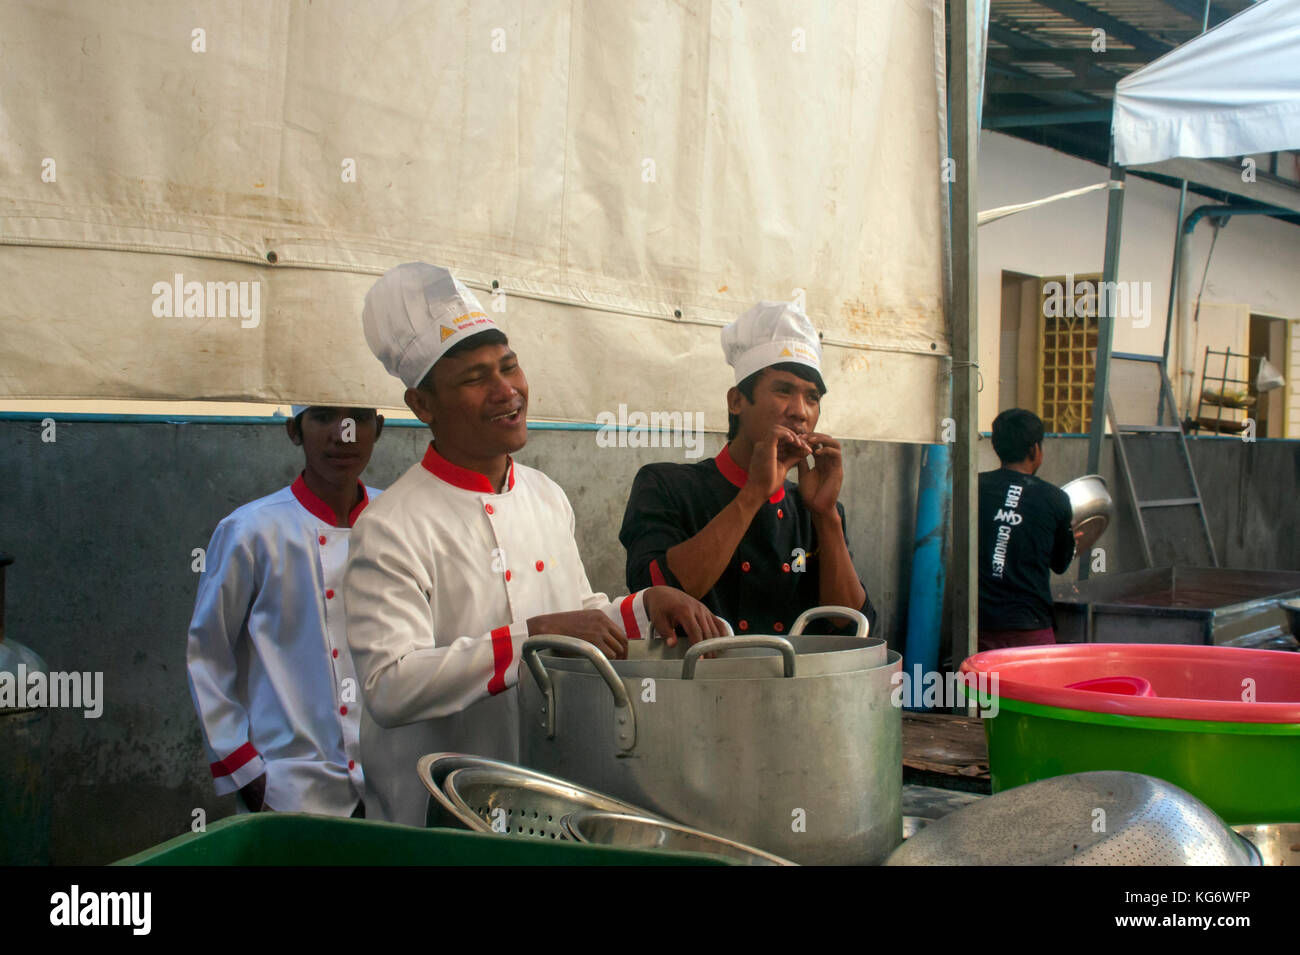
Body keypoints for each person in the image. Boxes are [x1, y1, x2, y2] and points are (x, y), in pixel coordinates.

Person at [345, 262, 723, 826]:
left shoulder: (545, 495)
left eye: (509, 366)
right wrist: (532, 639)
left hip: (543, 799)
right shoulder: (392, 524)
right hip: (434, 817)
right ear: (423, 405)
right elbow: (390, 686)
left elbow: (577, 615)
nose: (507, 391)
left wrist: (642, 608)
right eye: (475, 379)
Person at [619, 301, 874, 636]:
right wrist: (754, 493)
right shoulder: (666, 485)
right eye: (783, 390)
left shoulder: (814, 509)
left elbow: (848, 624)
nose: (800, 412)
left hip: (797, 685)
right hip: (696, 683)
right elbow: (653, 591)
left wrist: (826, 515)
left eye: (812, 398)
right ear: (736, 400)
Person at [186, 404, 384, 816]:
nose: (343, 434)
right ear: (294, 430)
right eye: (324, 416)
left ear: (379, 428)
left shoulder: (398, 521)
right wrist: (246, 771)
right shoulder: (251, 530)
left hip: (391, 786)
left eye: (359, 418)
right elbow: (209, 654)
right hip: (291, 790)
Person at [977, 408, 1076, 651]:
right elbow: (1060, 564)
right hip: (1030, 628)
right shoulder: (1055, 499)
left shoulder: (973, 487)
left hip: (976, 625)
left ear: (996, 447)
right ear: (1035, 450)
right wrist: (1072, 543)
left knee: (981, 690)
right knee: (1033, 689)